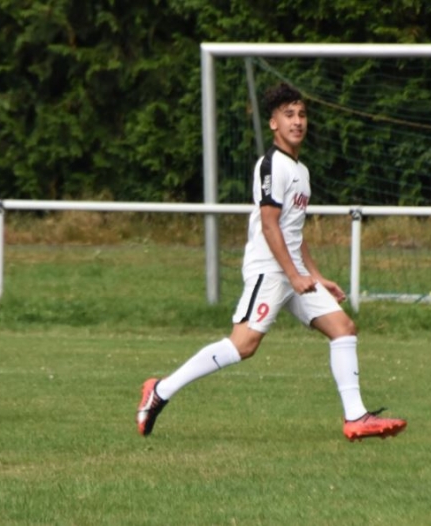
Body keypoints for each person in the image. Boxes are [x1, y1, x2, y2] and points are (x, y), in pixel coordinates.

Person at [136, 82, 407, 441]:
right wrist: (293, 275)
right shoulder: (271, 165)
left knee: (343, 328)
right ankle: (160, 390)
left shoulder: (301, 171)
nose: (297, 121)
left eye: (302, 114)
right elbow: (269, 225)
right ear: (273, 123)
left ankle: (356, 417)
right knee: (243, 345)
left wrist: (315, 276)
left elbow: (294, 231)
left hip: (292, 271)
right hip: (270, 270)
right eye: (288, 115)